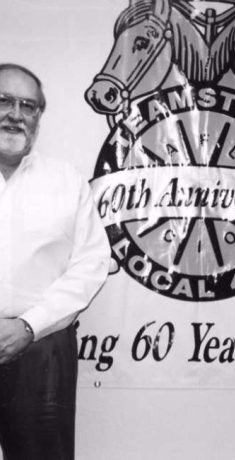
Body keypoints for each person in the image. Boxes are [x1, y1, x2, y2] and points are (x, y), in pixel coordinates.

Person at [0, 63, 111, 459]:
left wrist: (30, 325)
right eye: (4, 101)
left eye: (28, 106)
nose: (16, 114)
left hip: (42, 348)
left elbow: (93, 262)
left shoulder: (66, 181)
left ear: (39, 117)